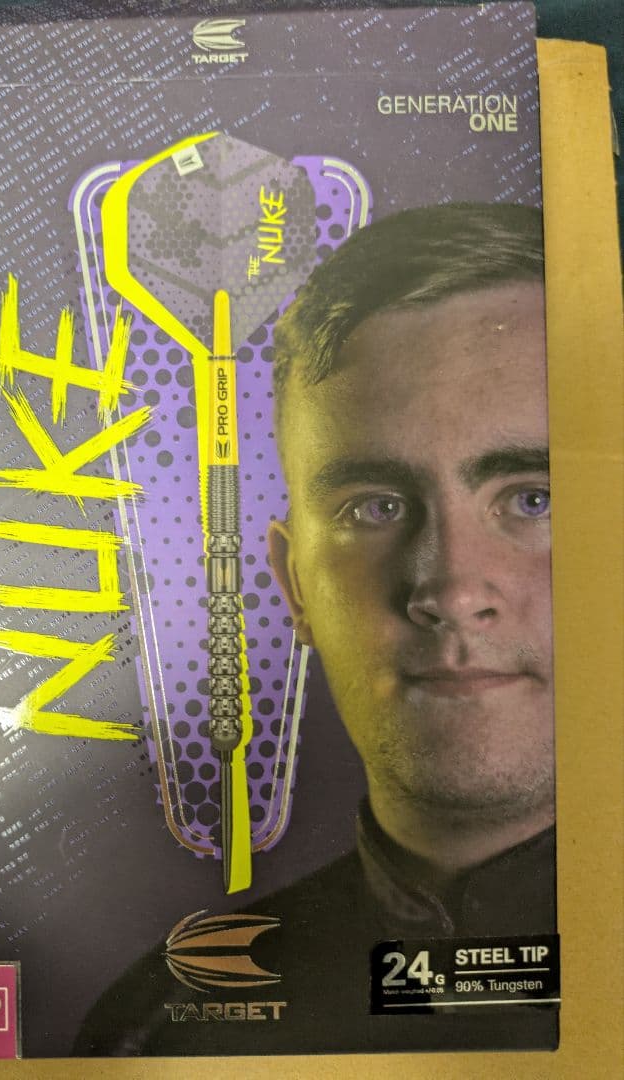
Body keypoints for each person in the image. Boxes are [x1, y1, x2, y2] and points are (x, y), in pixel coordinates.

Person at [73, 203, 558, 1056]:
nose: (449, 589)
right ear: (294, 583)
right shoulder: (155, 1034)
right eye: (374, 508)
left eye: (532, 498)